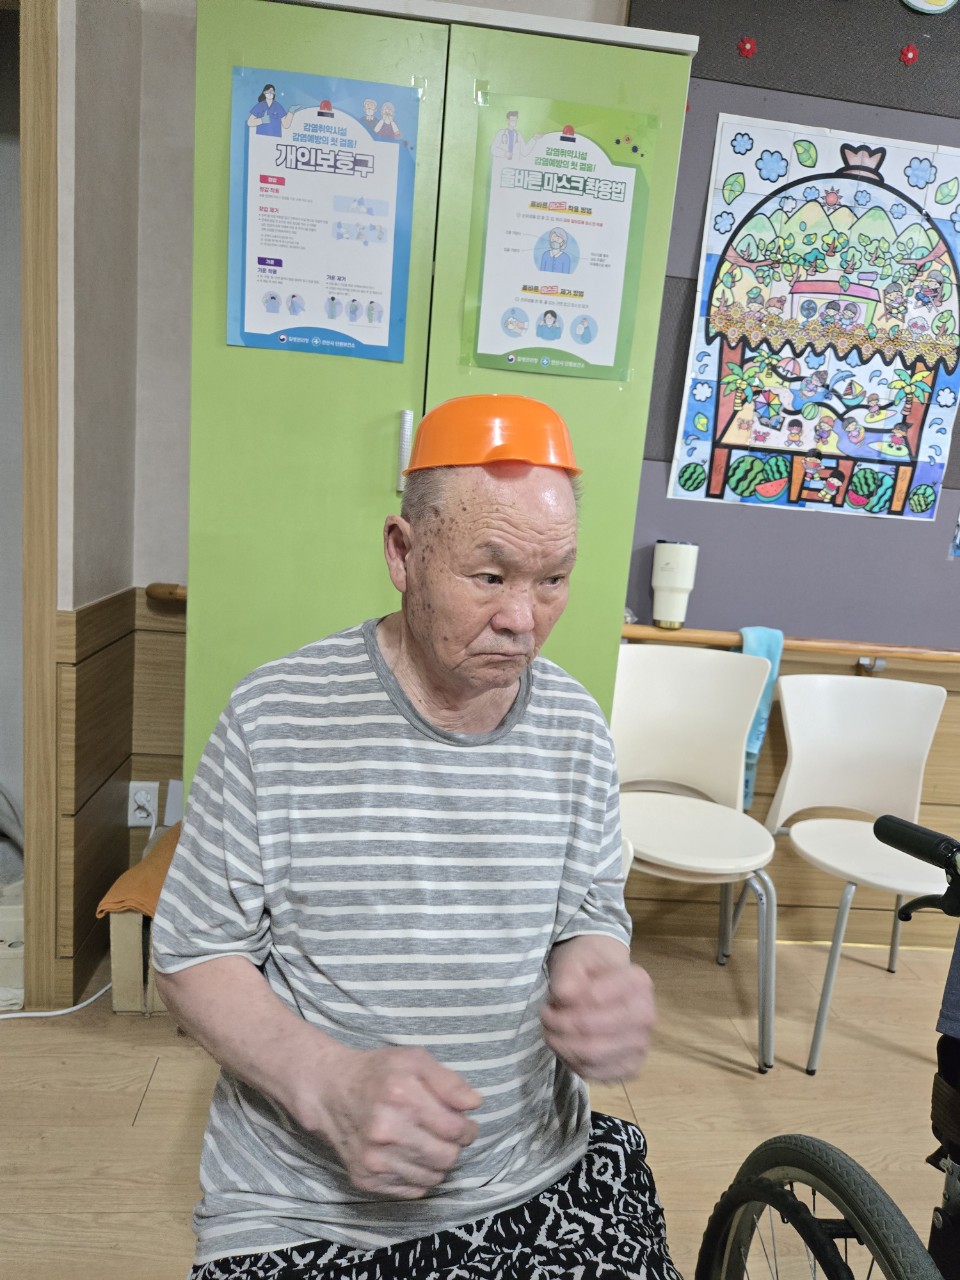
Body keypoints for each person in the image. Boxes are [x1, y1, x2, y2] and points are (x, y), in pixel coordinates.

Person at [152, 394, 675, 1280]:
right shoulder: (277, 716)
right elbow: (193, 954)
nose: (524, 618)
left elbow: (589, 910)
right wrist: (327, 1083)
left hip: (533, 1172)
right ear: (403, 552)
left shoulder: (575, 727)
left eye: (553, 579)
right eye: (491, 576)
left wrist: (596, 974)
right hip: (307, 1208)